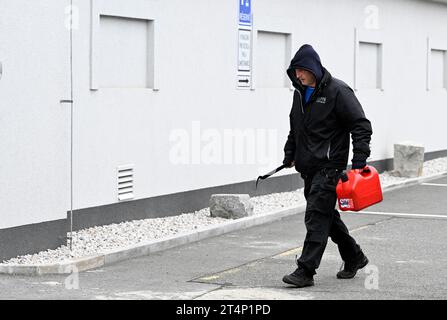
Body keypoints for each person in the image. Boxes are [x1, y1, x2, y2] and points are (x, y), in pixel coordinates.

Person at [281, 44, 373, 288]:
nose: (298, 75)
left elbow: (361, 124)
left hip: (330, 167)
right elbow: (296, 128)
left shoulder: (338, 91)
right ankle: (354, 256)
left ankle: (306, 270)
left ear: (313, 68)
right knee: (327, 217)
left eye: (301, 70)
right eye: (295, 71)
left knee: (316, 216)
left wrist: (359, 160)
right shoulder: (300, 93)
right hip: (309, 168)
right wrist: (290, 153)